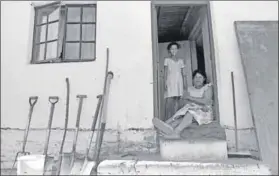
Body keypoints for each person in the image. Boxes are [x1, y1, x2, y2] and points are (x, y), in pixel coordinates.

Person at [153, 69, 213, 139]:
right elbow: (184, 102)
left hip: (204, 111)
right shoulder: (190, 89)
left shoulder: (207, 87)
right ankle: (166, 127)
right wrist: (190, 101)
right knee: (179, 118)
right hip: (191, 109)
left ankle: (176, 133)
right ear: (193, 79)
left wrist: (190, 98)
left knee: (190, 113)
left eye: (200, 77)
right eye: (196, 77)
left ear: (204, 79)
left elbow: (206, 101)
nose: (198, 79)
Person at [164, 42, 186, 121]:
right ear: (169, 50)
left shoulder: (181, 61)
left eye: (175, 48)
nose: (174, 50)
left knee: (178, 100)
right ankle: (167, 119)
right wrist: (165, 82)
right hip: (170, 80)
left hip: (179, 81)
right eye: (172, 49)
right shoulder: (167, 60)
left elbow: (183, 73)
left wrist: (184, 84)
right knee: (169, 100)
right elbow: (166, 72)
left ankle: (175, 119)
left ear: (178, 50)